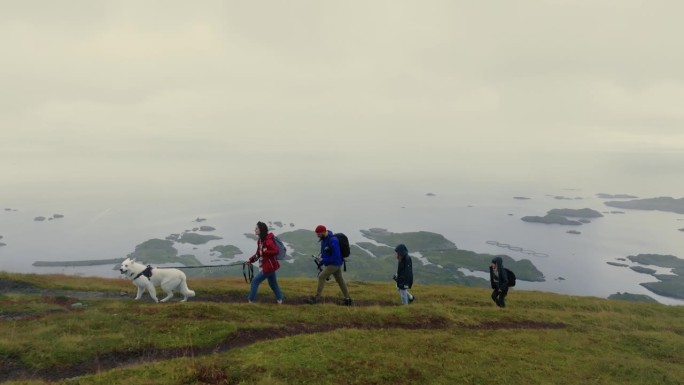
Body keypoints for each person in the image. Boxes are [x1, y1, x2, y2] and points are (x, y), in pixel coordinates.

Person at [305, 225, 352, 306]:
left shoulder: (333, 240)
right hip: (333, 263)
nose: (317, 236)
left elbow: (336, 256)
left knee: (321, 276)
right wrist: (321, 262)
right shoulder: (323, 240)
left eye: (318, 234)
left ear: (323, 232)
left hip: (335, 263)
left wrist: (324, 260)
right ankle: (348, 299)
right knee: (340, 281)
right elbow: (324, 253)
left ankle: (316, 298)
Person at [244, 221, 284, 304]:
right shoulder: (260, 241)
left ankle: (250, 300)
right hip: (270, 266)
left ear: (261, 230)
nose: (255, 230)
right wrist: (250, 261)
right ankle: (280, 299)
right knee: (273, 284)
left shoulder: (268, 241)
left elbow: (275, 251)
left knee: (255, 281)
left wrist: (266, 251)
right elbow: (259, 253)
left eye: (256, 228)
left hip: (269, 266)